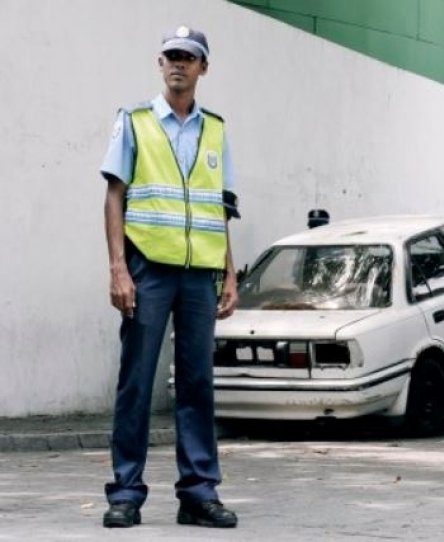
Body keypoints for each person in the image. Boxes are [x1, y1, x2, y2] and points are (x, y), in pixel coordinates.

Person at [100, 26, 239, 529]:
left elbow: (220, 209)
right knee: (136, 381)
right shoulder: (134, 122)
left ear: (203, 67)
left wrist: (229, 275)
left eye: (189, 57)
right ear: (160, 64)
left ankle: (199, 493)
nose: (178, 64)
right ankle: (125, 493)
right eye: (171, 56)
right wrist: (118, 268)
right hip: (148, 271)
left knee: (198, 383)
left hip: (200, 275)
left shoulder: (217, 130)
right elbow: (115, 195)